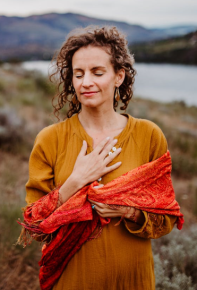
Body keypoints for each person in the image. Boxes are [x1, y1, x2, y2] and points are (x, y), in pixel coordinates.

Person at [22, 26, 180, 290]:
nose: (86, 82)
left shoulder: (148, 135)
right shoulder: (50, 139)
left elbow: (166, 219)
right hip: (74, 280)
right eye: (78, 73)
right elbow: (34, 224)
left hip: (133, 280)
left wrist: (128, 211)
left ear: (119, 76)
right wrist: (76, 181)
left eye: (97, 72)